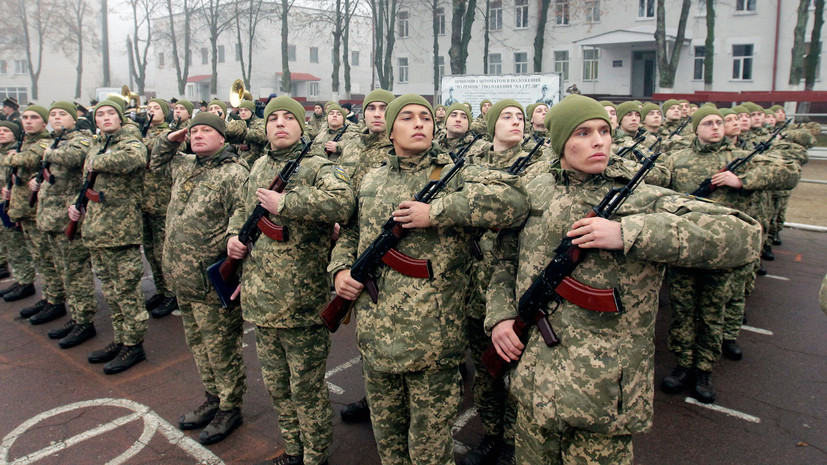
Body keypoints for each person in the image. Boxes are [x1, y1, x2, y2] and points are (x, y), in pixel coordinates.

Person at [486, 95, 762, 465]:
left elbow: (744, 234)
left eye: (604, 131)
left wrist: (629, 232)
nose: (598, 141)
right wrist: (501, 315)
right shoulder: (534, 191)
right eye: (583, 132)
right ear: (560, 142)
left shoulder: (638, 197)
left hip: (602, 396)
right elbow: (504, 258)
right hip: (534, 386)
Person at [329, 94, 528, 465]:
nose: (419, 122)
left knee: (429, 453)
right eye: (407, 117)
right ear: (390, 131)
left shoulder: (454, 173)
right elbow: (352, 235)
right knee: (389, 448)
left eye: (425, 116)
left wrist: (437, 211)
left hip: (432, 344)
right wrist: (340, 270)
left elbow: (515, 201)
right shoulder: (371, 179)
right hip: (376, 338)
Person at [227, 96, 355, 465]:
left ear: (302, 125)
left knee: (307, 389)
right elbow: (242, 209)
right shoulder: (258, 165)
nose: (279, 124)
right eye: (273, 119)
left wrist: (286, 203)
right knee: (277, 387)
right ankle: (294, 449)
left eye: (288, 118)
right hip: (261, 300)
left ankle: (315, 457)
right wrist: (233, 237)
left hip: (301, 303)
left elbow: (343, 203)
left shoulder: (318, 166)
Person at [661, 106, 798, 401]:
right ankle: (683, 365)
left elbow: (789, 172)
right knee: (683, 311)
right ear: (695, 129)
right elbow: (657, 190)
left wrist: (742, 181)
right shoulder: (677, 159)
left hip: (724, 253)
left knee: (713, 313)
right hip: (684, 249)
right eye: (707, 123)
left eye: (719, 122)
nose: (715, 127)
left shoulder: (737, 160)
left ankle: (704, 370)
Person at [152, 111, 249, 445]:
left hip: (211, 280)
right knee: (199, 346)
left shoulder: (233, 173)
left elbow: (243, 215)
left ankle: (230, 405)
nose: (197, 135)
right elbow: (156, 162)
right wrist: (170, 138)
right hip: (183, 278)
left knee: (221, 348)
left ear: (223, 138)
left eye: (206, 130)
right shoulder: (186, 165)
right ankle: (212, 397)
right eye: (193, 131)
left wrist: (235, 249)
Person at [463, 99, 535, 465]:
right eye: (506, 117)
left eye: (520, 117)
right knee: (485, 367)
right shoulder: (469, 167)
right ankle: (492, 433)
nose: (515, 122)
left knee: (515, 370)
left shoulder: (536, 168)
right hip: (474, 283)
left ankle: (512, 439)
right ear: (492, 125)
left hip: (513, 284)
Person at [68, 100, 149, 375]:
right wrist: (76, 205)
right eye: (99, 115)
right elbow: (87, 183)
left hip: (120, 230)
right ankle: (120, 338)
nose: (104, 118)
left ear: (120, 117)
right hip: (96, 229)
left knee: (127, 292)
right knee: (111, 292)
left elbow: (135, 159)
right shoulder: (98, 145)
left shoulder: (130, 141)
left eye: (110, 113)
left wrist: (97, 160)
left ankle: (134, 344)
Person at [27, 102, 100, 349]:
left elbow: (73, 158)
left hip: (67, 219)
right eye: (53, 114)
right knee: (62, 269)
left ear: (73, 118)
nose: (57, 117)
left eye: (62, 114)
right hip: (49, 216)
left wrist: (47, 152)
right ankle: (74, 315)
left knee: (76, 271)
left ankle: (85, 320)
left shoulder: (79, 139)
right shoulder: (55, 141)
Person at [4, 105, 53, 306]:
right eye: (25, 117)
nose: (28, 121)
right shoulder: (24, 142)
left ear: (43, 122)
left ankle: (54, 298)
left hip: (36, 210)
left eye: (34, 117)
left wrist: (10, 157)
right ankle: (46, 295)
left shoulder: (44, 143)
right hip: (23, 206)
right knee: (35, 255)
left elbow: (27, 159)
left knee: (45, 257)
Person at [141, 98, 178, 319]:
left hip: (162, 200)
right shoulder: (143, 133)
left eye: (156, 109)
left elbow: (159, 150)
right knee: (150, 250)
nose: (151, 112)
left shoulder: (169, 134)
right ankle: (161, 289)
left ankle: (172, 292)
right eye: (148, 109)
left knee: (163, 251)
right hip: (145, 199)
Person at [0, 120, 36, 302]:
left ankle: (25, 280)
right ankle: (21, 279)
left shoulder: (18, 152)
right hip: (7, 202)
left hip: (19, 204)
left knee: (19, 245)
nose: (1, 133)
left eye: (6, 130)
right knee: (11, 244)